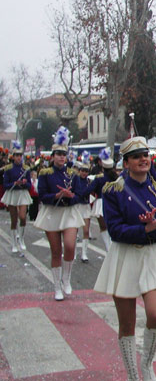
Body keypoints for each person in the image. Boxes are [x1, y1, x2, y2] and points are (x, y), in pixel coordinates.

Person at [93, 136, 156, 381]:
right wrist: (145, 228)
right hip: (125, 256)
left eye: (145, 155)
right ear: (126, 162)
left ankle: (147, 364)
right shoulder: (112, 191)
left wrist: (155, 227)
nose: (143, 159)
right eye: (136, 156)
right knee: (126, 323)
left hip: (151, 255)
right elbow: (115, 231)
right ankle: (131, 377)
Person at [34, 127, 85, 301]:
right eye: (58, 154)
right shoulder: (45, 173)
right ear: (52, 156)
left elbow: (80, 195)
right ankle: (57, 286)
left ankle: (66, 279)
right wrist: (57, 195)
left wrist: (70, 196)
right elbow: (42, 195)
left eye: (64, 154)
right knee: (56, 251)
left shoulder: (73, 174)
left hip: (69, 212)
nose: (62, 157)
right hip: (52, 213)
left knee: (70, 246)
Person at [2, 141, 32, 253]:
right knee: (14, 219)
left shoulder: (26, 169)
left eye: (20, 155)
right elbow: (5, 185)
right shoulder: (8, 169)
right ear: (13, 157)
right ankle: (14, 243)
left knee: (23, 217)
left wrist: (24, 183)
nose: (19, 157)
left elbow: (29, 185)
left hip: (22, 194)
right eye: (17, 155)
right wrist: (14, 183)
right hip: (12, 194)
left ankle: (21, 239)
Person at [86, 147, 118, 251]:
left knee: (103, 227)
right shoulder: (116, 178)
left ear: (103, 168)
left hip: (101, 202)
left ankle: (109, 249)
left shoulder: (99, 178)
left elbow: (89, 190)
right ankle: (113, 247)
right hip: (114, 203)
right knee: (112, 226)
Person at [75, 152, 93, 262]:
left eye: (86, 171)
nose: (84, 173)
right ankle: (73, 252)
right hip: (77, 206)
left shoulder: (89, 181)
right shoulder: (75, 180)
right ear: (79, 171)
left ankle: (84, 254)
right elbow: (79, 192)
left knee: (86, 231)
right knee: (75, 231)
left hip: (86, 207)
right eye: (82, 171)